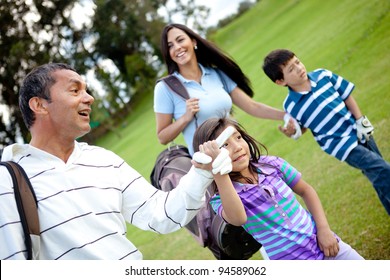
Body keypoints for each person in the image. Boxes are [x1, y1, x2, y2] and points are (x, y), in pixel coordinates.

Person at [0, 63, 217, 260]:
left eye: (86, 89)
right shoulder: (8, 182)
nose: (89, 98)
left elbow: (160, 213)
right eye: (75, 90)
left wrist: (201, 173)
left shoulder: (103, 160)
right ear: (39, 105)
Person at [192, 116, 364, 260]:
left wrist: (324, 230)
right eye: (225, 145)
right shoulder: (220, 198)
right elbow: (238, 219)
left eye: (238, 138)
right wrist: (218, 172)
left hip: (324, 242)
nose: (237, 147)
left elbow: (306, 190)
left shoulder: (271, 164)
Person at [262, 49, 390, 215]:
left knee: (377, 175)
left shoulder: (323, 76)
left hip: (358, 130)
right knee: (381, 169)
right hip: (341, 146)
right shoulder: (290, 106)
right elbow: (302, 127)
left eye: (297, 62)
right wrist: (292, 132)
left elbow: (346, 96)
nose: (299, 68)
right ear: (280, 81)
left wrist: (361, 121)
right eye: (291, 69)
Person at [154, 23, 299, 156]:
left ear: (193, 41)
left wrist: (286, 116)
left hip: (239, 153)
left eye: (180, 40)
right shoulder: (166, 88)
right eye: (170, 46)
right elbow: (162, 137)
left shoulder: (216, 74)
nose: (177, 47)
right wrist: (185, 118)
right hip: (212, 166)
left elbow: (252, 106)